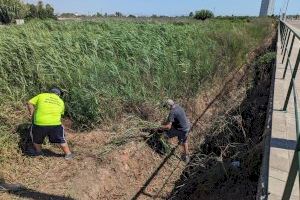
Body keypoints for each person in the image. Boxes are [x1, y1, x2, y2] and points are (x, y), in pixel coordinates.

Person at [27, 88, 73, 160]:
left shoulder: (42, 95)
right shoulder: (61, 101)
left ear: (50, 92)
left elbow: (30, 102)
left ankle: (39, 152)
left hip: (40, 123)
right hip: (55, 124)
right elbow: (60, 114)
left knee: (36, 139)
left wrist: (31, 113)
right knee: (61, 139)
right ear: (58, 95)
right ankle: (68, 154)